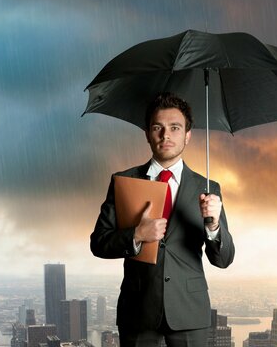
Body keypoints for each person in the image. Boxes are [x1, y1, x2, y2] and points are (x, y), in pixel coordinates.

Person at [90, 92, 235, 347]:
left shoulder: (208, 188)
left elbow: (223, 260)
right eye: (158, 127)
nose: (166, 135)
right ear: (147, 133)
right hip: (138, 310)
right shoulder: (124, 181)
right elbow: (99, 243)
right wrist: (136, 235)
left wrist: (213, 225)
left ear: (187, 136)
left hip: (189, 311)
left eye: (175, 128)